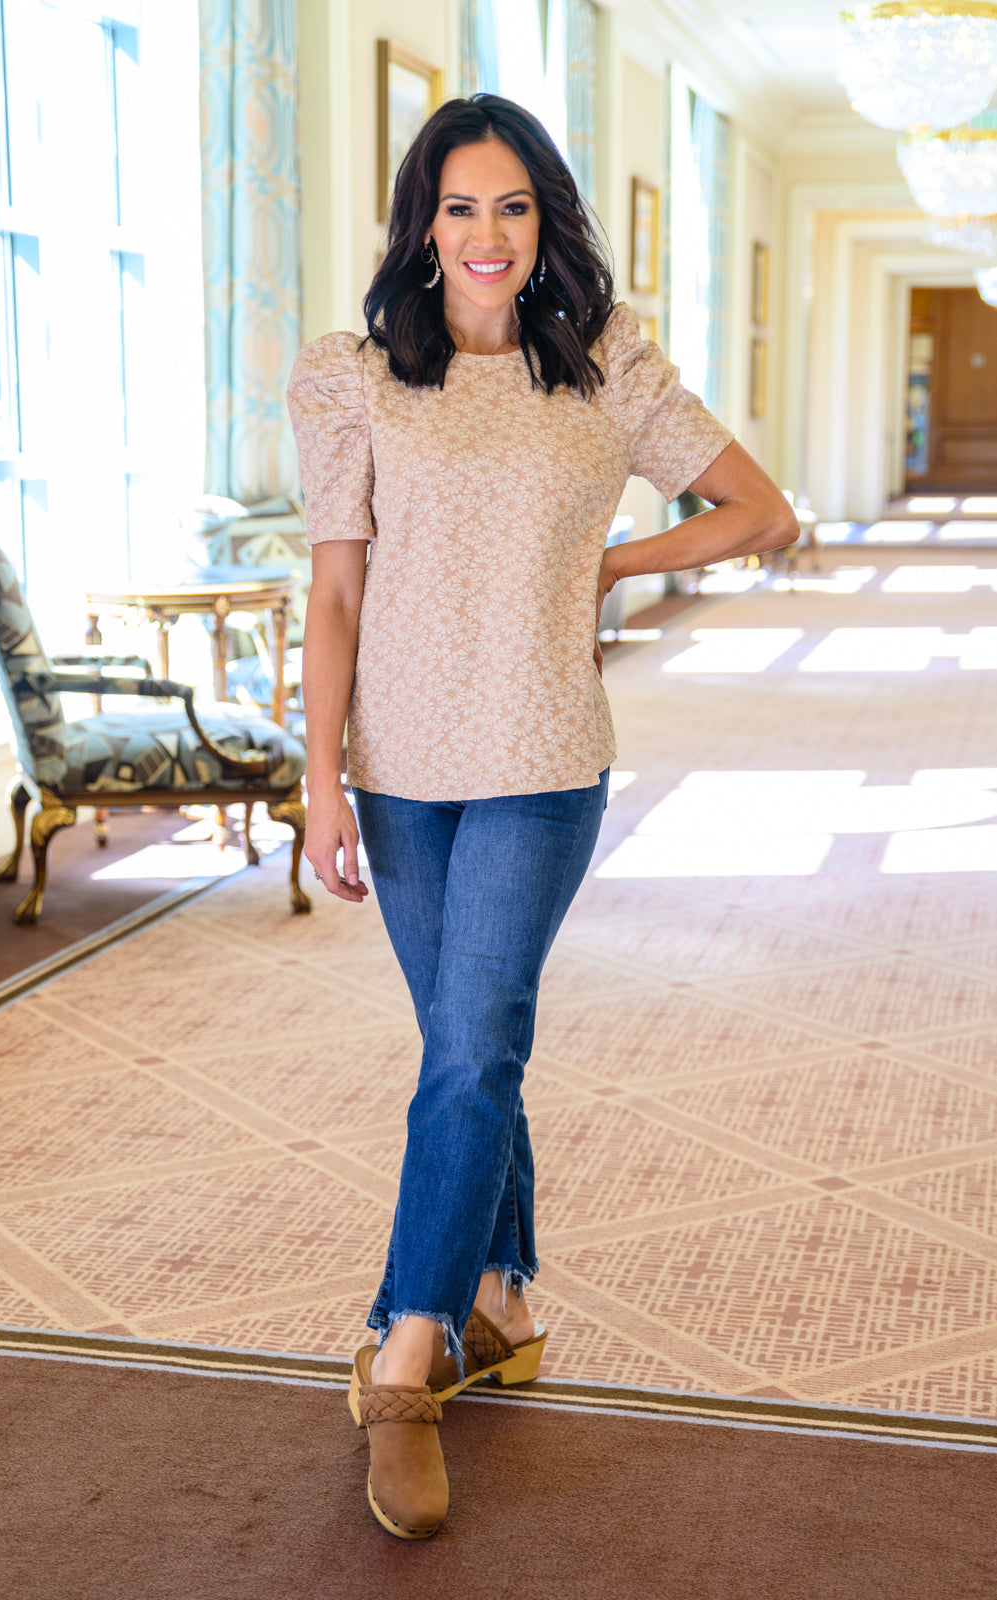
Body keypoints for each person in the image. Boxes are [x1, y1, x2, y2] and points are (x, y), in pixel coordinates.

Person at [287, 93, 796, 1541]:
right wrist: (317, 779)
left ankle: (404, 1355)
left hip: (541, 761)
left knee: (469, 1047)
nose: (487, 233)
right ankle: (504, 1299)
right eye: (460, 207)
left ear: (543, 222)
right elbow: (336, 591)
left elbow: (760, 512)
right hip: (397, 771)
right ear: (421, 226)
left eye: (512, 206)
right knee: (471, 1047)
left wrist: (609, 563)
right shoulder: (353, 379)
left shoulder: (607, 366)